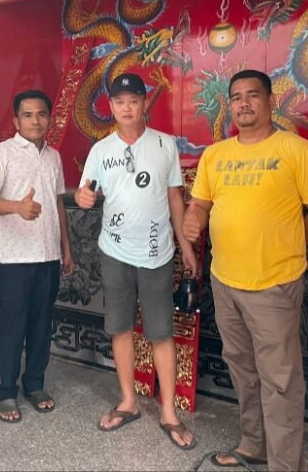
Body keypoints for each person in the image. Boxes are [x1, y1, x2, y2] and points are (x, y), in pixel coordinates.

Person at [182, 69, 308, 470]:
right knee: (242, 369)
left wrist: (287, 244)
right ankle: (254, 444)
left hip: (274, 284)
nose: (244, 103)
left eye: (253, 95)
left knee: (280, 379)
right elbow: (200, 203)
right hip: (225, 281)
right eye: (236, 97)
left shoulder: (296, 150)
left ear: (270, 101)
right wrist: (193, 218)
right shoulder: (216, 155)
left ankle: (285, 464)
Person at [75, 73, 199, 449]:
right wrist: (83, 198)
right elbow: (85, 191)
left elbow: (175, 198)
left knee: (161, 332)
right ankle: (128, 401)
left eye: (133, 100)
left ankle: (169, 412)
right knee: (120, 328)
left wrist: (185, 245)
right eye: (119, 102)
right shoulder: (101, 150)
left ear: (145, 103)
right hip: (114, 252)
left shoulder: (164, 144)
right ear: (111, 107)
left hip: (156, 253)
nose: (126, 108)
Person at [0, 90, 74, 423]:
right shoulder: (2, 153)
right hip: (15, 258)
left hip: (48, 255)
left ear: (49, 118)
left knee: (40, 324)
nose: (35, 121)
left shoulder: (54, 156)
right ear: (16, 120)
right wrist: (16, 207)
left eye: (41, 114)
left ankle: (34, 384)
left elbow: (58, 203)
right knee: (13, 326)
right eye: (28, 115)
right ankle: (7, 392)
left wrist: (66, 248)